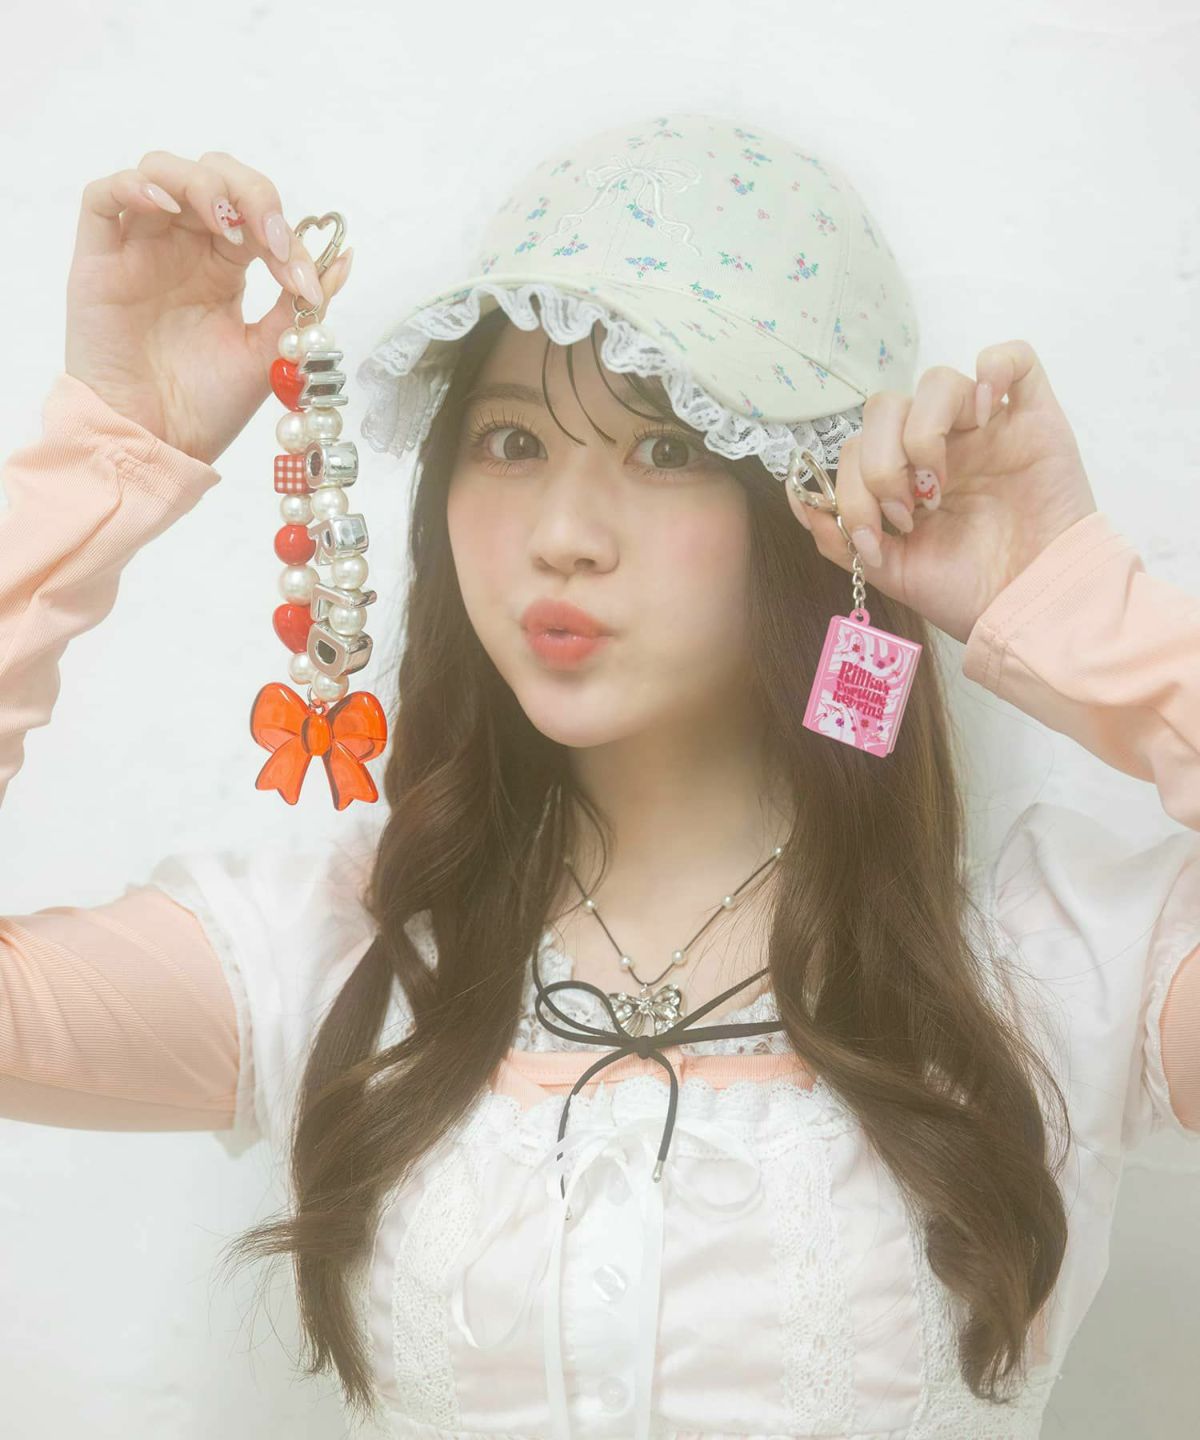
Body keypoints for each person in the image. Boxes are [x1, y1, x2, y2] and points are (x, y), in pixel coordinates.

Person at [1, 112, 1198, 1440]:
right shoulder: (333, 957)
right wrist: (111, 451)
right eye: (511, 442)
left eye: (666, 447)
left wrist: (1073, 605)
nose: (562, 535)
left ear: (811, 503)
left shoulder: (1051, 960)